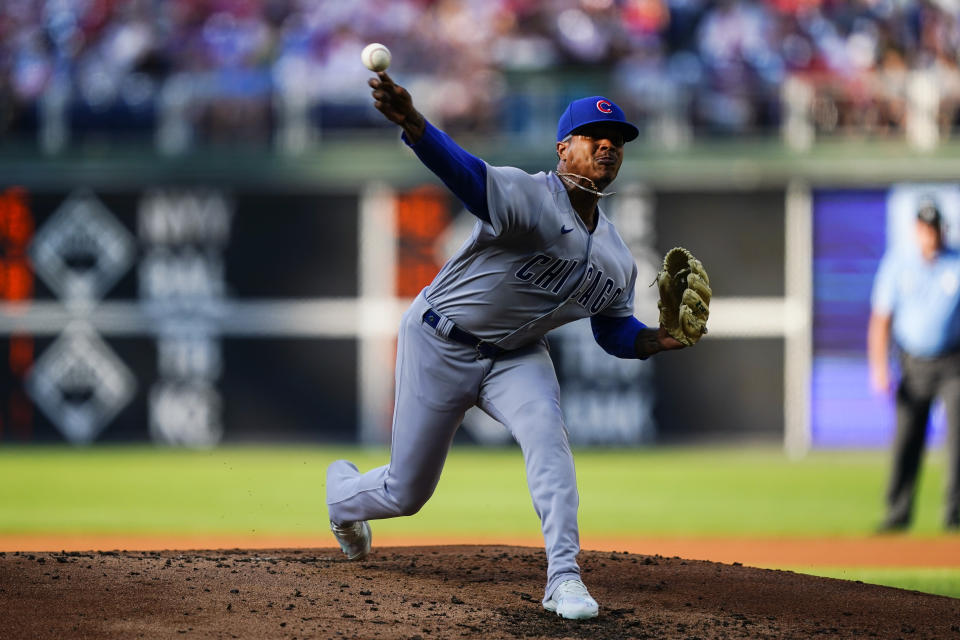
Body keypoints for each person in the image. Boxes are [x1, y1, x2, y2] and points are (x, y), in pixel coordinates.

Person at [325, 71, 690, 621]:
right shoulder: (529, 195)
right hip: (439, 339)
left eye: (616, 138)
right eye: (594, 135)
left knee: (548, 437)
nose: (608, 144)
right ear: (564, 149)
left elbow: (611, 331)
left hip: (517, 355)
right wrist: (414, 123)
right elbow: (467, 175)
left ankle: (564, 576)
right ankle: (342, 499)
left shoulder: (616, 257)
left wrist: (655, 340)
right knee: (407, 493)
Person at [868, 199, 960, 532]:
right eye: (924, 229)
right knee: (907, 439)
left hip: (953, 362)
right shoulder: (898, 264)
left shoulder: (956, 263)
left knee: (958, 439)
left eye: (934, 229)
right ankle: (898, 513)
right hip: (912, 363)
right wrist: (879, 367)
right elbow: (881, 319)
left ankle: (955, 516)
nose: (930, 235)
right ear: (915, 230)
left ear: (942, 229)